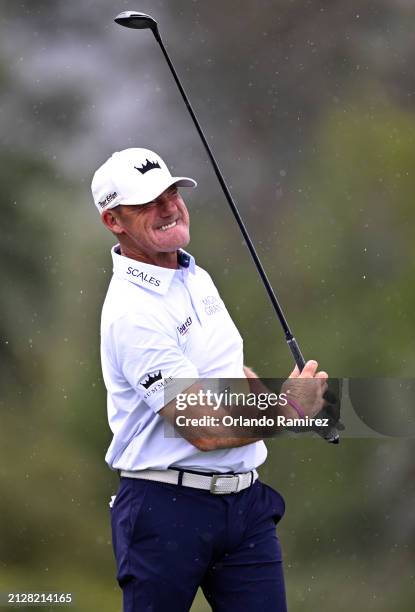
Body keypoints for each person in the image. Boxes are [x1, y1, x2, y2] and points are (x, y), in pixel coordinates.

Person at [91, 147, 329, 612]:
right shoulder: (131, 312)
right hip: (166, 511)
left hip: (245, 505)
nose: (167, 207)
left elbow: (230, 377)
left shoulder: (192, 275)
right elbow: (202, 427)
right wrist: (289, 409)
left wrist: (277, 399)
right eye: (146, 202)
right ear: (114, 221)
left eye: (171, 192)